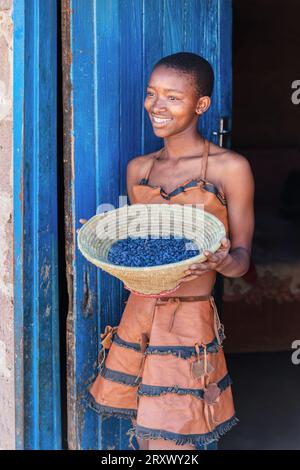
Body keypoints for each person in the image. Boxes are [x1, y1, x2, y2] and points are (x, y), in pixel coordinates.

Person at [84, 52, 254, 450]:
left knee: (173, 440)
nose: (156, 106)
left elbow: (243, 261)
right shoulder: (138, 169)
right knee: (146, 437)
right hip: (137, 314)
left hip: (188, 324)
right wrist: (109, 244)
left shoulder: (229, 169)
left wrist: (223, 260)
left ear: (201, 105)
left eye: (172, 97)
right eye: (151, 94)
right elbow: (139, 246)